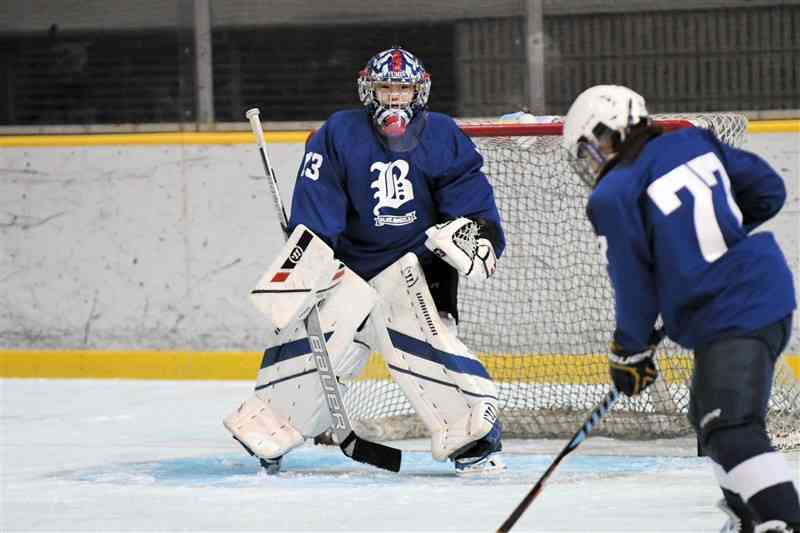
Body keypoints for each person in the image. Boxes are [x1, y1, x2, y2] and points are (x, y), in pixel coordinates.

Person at [224, 47, 506, 475]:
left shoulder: (444, 135)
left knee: (424, 341)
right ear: (367, 89)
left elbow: (471, 204)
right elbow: (317, 216)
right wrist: (304, 264)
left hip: (418, 267)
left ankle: (470, 433)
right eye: (386, 86)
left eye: (404, 87)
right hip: (349, 269)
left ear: (420, 90)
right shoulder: (338, 133)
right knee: (316, 344)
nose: (395, 98)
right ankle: (273, 425)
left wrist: (478, 236)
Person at [562, 84, 799, 532]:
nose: (593, 160)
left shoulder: (612, 195)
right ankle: (748, 515)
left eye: (596, 144)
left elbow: (632, 285)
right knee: (708, 419)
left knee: (729, 425)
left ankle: (783, 520)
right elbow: (769, 191)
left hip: (736, 308)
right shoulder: (692, 140)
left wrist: (628, 351)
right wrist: (692, 247)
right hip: (759, 294)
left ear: (622, 127)